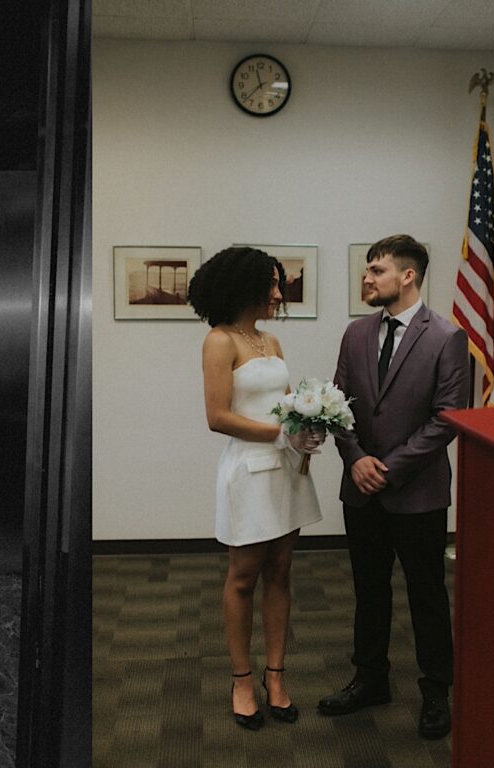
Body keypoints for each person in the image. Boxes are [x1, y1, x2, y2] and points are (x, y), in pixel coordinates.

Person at [317, 234, 469, 740]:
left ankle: (435, 693)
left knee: (426, 593)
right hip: (360, 489)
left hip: (417, 492)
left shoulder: (447, 337)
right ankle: (369, 679)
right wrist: (356, 458)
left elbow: (448, 418)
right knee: (368, 589)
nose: (367, 278)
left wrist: (388, 466)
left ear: (408, 276)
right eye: (367, 270)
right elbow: (336, 404)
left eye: (377, 270)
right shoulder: (355, 334)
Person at [188, 246, 323, 731]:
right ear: (240, 287)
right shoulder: (220, 341)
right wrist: (281, 433)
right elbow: (217, 417)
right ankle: (242, 680)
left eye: (277, 282)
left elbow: (286, 405)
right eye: (268, 284)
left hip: (288, 471)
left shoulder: (271, 341)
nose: (275, 293)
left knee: (282, 572)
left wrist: (309, 425)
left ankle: (277, 676)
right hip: (249, 471)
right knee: (244, 576)